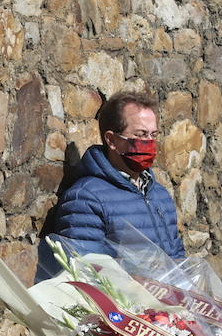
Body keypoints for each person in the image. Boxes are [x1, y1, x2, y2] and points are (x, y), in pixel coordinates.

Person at [36, 91, 186, 278]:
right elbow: (86, 272)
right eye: (140, 134)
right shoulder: (86, 198)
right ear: (111, 140)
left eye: (153, 135)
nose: (149, 142)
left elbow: (178, 260)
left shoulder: (159, 195)